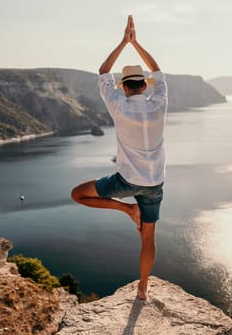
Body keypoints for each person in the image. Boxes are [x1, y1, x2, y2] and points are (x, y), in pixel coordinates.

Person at [71, 15, 167, 300]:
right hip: (154, 184)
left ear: (124, 87)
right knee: (148, 238)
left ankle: (127, 210)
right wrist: (136, 43)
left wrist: (123, 41)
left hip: (124, 181)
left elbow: (103, 71)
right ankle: (142, 290)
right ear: (145, 86)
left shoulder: (118, 106)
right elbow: (158, 71)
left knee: (78, 194)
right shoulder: (160, 104)